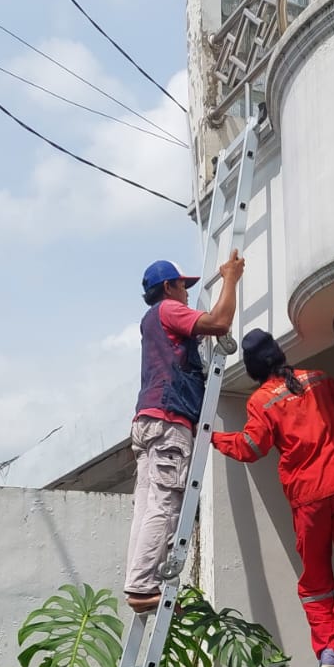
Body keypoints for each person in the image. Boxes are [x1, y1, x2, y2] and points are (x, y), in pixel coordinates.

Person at [211, 331, 334, 667]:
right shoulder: (320, 379)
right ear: (280, 354)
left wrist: (215, 438)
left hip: (309, 496)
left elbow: (251, 448)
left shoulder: (261, 401)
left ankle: (329, 647)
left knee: (315, 578)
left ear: (253, 369)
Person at [125, 252, 244, 612]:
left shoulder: (151, 320)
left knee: (147, 508)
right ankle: (144, 587)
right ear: (168, 287)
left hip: (149, 420)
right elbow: (220, 323)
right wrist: (231, 278)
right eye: (183, 286)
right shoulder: (168, 311)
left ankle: (138, 583)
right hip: (168, 421)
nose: (188, 294)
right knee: (164, 506)